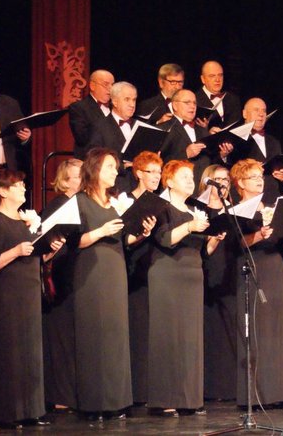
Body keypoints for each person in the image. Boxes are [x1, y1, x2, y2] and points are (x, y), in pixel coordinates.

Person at [0, 169, 62, 428]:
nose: (24, 188)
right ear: (2, 191)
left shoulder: (23, 223)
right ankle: (9, 413)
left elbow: (33, 258)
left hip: (29, 293)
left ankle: (32, 410)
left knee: (31, 351)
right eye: (18, 185)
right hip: (8, 296)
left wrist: (49, 252)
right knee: (11, 353)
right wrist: (15, 251)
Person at [147, 160, 223, 416]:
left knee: (190, 338)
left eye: (191, 177)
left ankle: (190, 398)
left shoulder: (194, 210)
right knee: (169, 336)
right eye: (184, 177)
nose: (191, 182)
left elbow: (203, 251)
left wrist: (215, 239)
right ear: (169, 181)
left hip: (192, 275)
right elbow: (165, 239)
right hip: (168, 275)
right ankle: (165, 398)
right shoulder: (162, 207)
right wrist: (190, 227)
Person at [229, 159, 283, 407]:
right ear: (240, 183)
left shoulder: (271, 208)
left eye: (260, 177)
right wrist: (259, 234)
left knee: (278, 328)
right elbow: (237, 244)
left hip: (276, 268)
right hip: (254, 268)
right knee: (259, 329)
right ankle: (258, 395)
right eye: (252, 177)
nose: (259, 181)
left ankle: (279, 392)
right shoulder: (237, 210)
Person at [71, 148, 135, 420]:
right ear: (95, 169)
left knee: (116, 333)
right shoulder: (80, 201)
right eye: (109, 166)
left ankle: (117, 400)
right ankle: (94, 403)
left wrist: (141, 232)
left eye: (115, 167)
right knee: (95, 334)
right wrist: (100, 231)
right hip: (92, 272)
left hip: (115, 269)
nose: (115, 172)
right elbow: (73, 242)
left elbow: (124, 239)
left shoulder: (115, 202)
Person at [42, 158, 83, 412]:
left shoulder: (80, 203)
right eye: (78, 176)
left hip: (74, 275)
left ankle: (73, 393)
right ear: (65, 182)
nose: (83, 180)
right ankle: (60, 395)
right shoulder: (58, 206)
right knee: (61, 338)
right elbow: (46, 238)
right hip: (60, 277)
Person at [199, 165, 240, 401]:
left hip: (229, 271)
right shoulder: (199, 209)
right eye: (217, 179)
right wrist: (212, 242)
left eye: (226, 179)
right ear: (207, 181)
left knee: (228, 328)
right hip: (207, 271)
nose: (222, 183)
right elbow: (200, 250)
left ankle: (228, 387)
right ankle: (209, 388)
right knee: (210, 328)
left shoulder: (234, 210)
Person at [127, 151, 163, 405]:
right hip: (133, 269)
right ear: (139, 173)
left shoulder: (159, 202)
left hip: (156, 267)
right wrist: (142, 233)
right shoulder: (126, 200)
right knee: (137, 328)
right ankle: (137, 391)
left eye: (159, 172)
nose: (157, 177)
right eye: (152, 172)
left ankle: (153, 389)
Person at [159, 88, 232, 184]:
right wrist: (186, 154)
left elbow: (210, 161)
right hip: (178, 186)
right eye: (187, 102)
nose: (192, 106)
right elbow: (158, 163)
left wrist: (222, 155)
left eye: (194, 103)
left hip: (203, 187)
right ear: (175, 105)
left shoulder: (202, 130)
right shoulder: (164, 129)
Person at [84, 81, 140, 191]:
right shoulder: (99, 126)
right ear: (114, 101)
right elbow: (94, 159)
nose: (132, 104)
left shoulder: (139, 125)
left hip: (139, 187)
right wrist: (123, 166)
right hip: (115, 187)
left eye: (134, 100)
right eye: (127, 99)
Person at [229, 97, 283, 203]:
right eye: (256, 110)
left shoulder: (274, 142)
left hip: (272, 198)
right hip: (245, 200)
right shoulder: (234, 138)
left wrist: (282, 177)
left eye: (264, 111)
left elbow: (278, 171)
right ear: (244, 114)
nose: (261, 114)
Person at [68, 69, 115, 158]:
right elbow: (82, 138)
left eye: (112, 85)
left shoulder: (115, 107)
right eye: (106, 84)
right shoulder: (79, 107)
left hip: (115, 157)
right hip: (91, 159)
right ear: (92, 86)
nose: (110, 89)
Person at [194, 60, 242, 131]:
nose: (217, 79)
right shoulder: (194, 100)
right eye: (212, 76)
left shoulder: (233, 99)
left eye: (220, 75)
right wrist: (207, 132)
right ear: (203, 79)